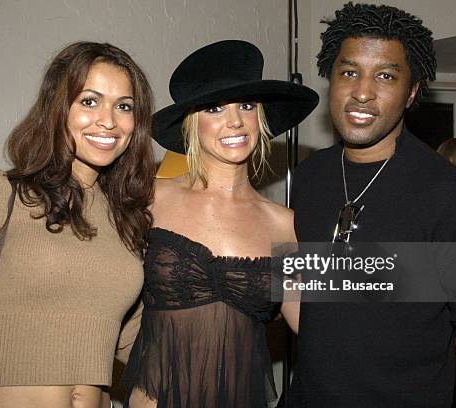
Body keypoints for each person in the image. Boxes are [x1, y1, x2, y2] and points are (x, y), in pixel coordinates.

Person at [289, 3, 456, 407]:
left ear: (411, 92)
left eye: (385, 75)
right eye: (349, 72)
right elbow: (313, 303)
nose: (362, 91)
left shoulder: (445, 195)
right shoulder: (308, 179)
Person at [0, 41, 154, 408]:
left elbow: (135, 345)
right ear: (58, 108)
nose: (108, 120)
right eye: (89, 101)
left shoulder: (127, 219)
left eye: (124, 106)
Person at [121, 40, 319, 408]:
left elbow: (320, 331)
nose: (235, 121)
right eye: (214, 108)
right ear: (191, 124)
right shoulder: (148, 198)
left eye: (246, 106)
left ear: (260, 117)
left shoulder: (285, 225)